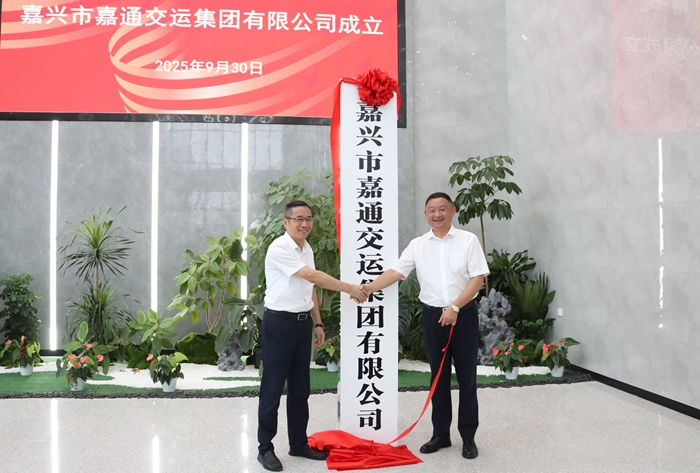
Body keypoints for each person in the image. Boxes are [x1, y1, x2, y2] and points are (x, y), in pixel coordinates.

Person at [362, 192, 488, 460]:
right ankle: (441, 434)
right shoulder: (417, 245)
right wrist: (369, 288)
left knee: (467, 378)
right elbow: (396, 272)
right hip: (433, 318)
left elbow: (478, 279)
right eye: (432, 210)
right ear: (426, 214)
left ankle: (468, 437)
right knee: (438, 377)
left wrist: (455, 307)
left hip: (463, 316)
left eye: (442, 209)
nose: (437, 214)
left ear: (453, 211)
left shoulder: (468, 240)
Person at [257, 200, 367, 472]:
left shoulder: (307, 248)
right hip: (278, 324)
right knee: (272, 388)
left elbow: (310, 288)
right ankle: (265, 448)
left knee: (300, 388)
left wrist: (318, 323)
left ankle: (298, 443)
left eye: (308, 219)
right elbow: (314, 276)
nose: (304, 224)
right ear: (286, 222)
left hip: (301, 324)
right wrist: (350, 288)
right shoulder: (280, 248)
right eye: (298, 219)